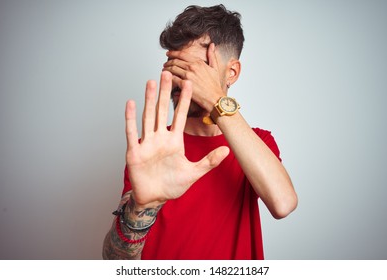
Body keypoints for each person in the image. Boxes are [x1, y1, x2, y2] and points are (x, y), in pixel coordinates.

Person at [102, 4, 297, 260]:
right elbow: (115, 260)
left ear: (232, 72)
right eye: (174, 67)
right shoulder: (152, 148)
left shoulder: (258, 142)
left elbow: (283, 204)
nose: (178, 80)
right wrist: (140, 206)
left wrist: (216, 100)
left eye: (193, 69)